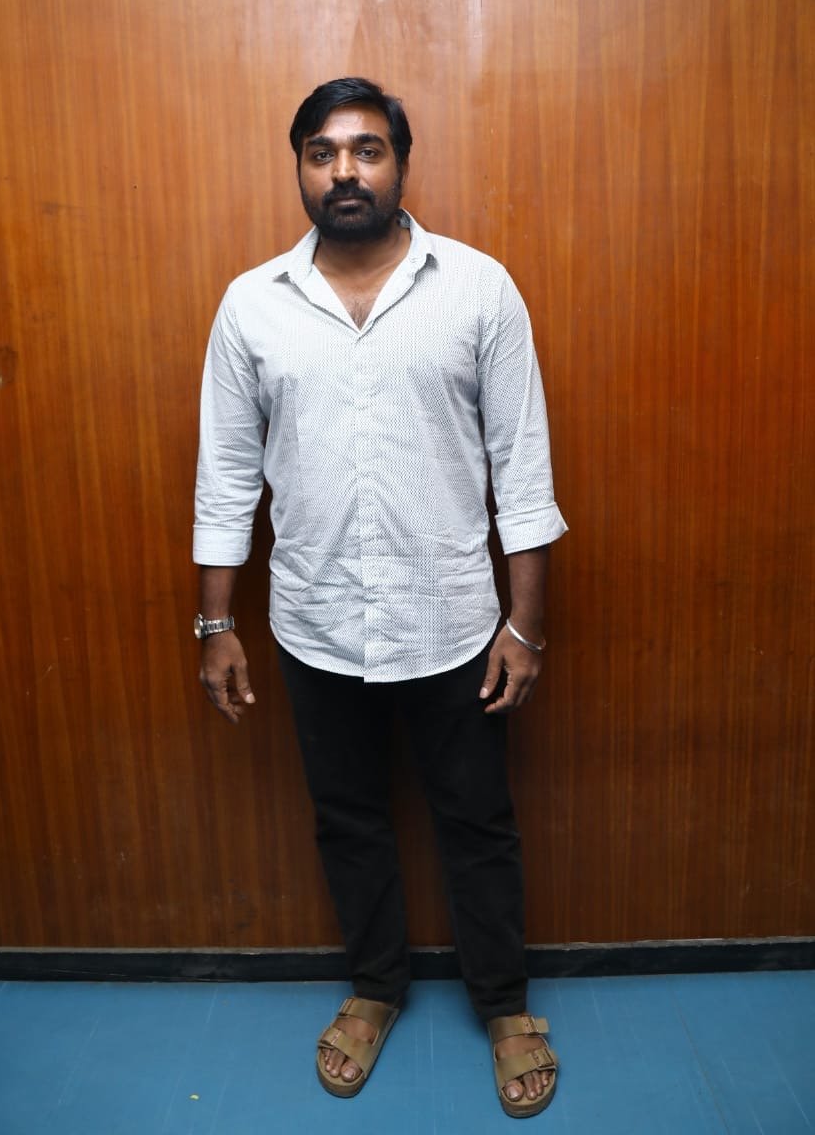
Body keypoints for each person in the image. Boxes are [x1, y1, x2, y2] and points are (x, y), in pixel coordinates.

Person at [193, 77, 567, 1119]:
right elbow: (224, 477)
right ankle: (374, 987)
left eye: (366, 149)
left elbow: (522, 470)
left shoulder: (478, 289)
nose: (344, 170)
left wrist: (525, 623)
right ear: (300, 169)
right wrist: (215, 623)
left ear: (401, 162)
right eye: (321, 152)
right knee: (346, 817)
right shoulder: (251, 304)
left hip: (453, 622)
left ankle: (504, 1005)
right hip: (313, 622)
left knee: (477, 820)